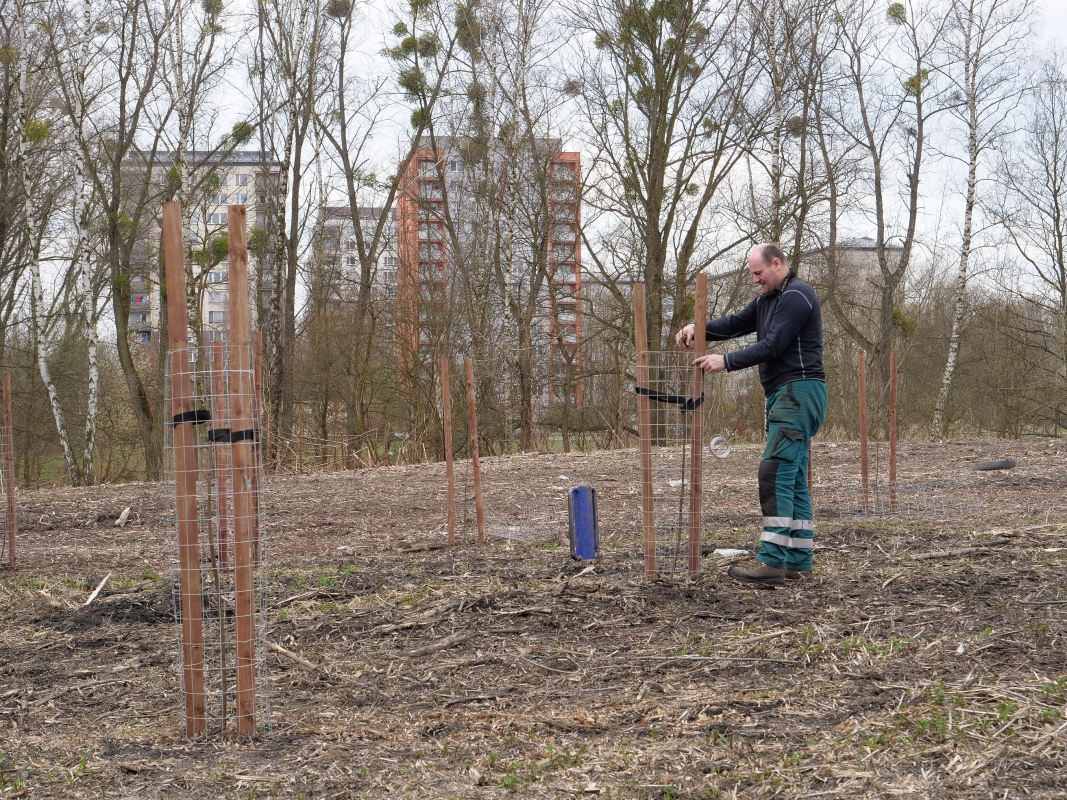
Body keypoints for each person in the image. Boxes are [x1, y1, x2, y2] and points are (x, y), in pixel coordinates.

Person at [676, 243, 826, 586]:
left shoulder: (796, 296)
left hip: (799, 393)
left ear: (776, 264)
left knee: (773, 472)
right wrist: (697, 328)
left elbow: (773, 344)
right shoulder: (766, 301)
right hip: (787, 395)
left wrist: (725, 361)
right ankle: (798, 559)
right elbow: (732, 325)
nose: (755, 280)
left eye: (758, 273)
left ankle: (772, 561)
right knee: (793, 477)